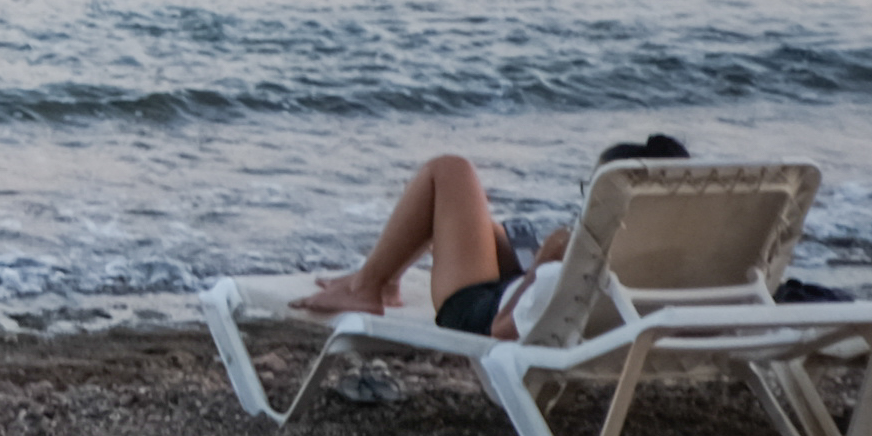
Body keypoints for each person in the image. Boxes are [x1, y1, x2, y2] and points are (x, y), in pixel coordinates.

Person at [292, 134, 689, 335]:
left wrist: (542, 269)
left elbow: (502, 331)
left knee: (450, 171)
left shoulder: (580, 265)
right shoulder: (684, 259)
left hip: (477, 312)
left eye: (593, 191)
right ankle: (385, 277)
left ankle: (369, 287)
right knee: (479, 224)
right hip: (572, 300)